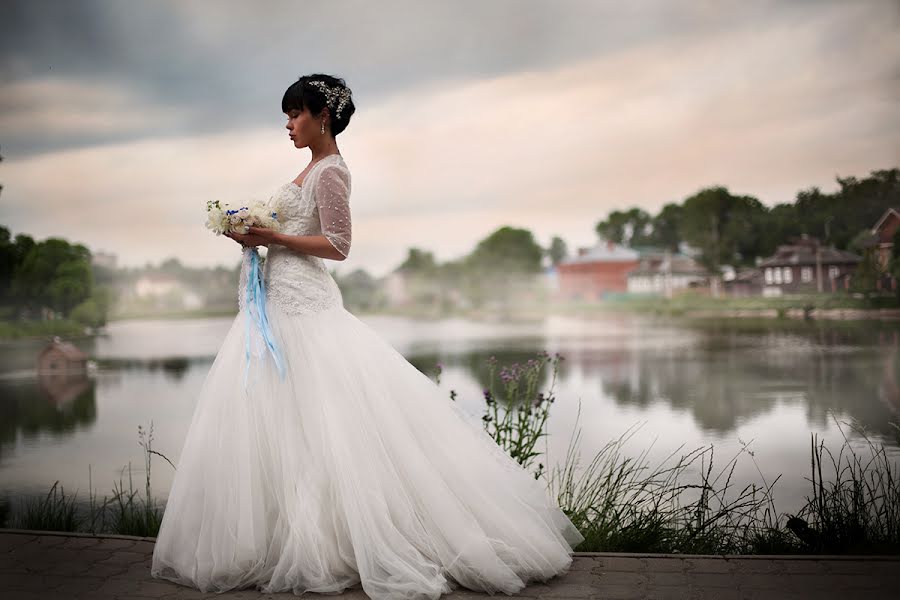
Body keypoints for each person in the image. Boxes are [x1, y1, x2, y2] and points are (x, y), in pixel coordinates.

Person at [150, 73, 584, 600]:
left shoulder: (331, 173)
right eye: (286, 116)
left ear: (323, 117)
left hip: (307, 311)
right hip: (278, 307)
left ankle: (357, 542)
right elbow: (294, 237)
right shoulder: (309, 169)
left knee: (331, 425)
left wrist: (274, 236)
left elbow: (338, 245)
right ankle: (291, 539)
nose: (288, 124)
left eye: (295, 114)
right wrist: (252, 237)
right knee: (291, 427)